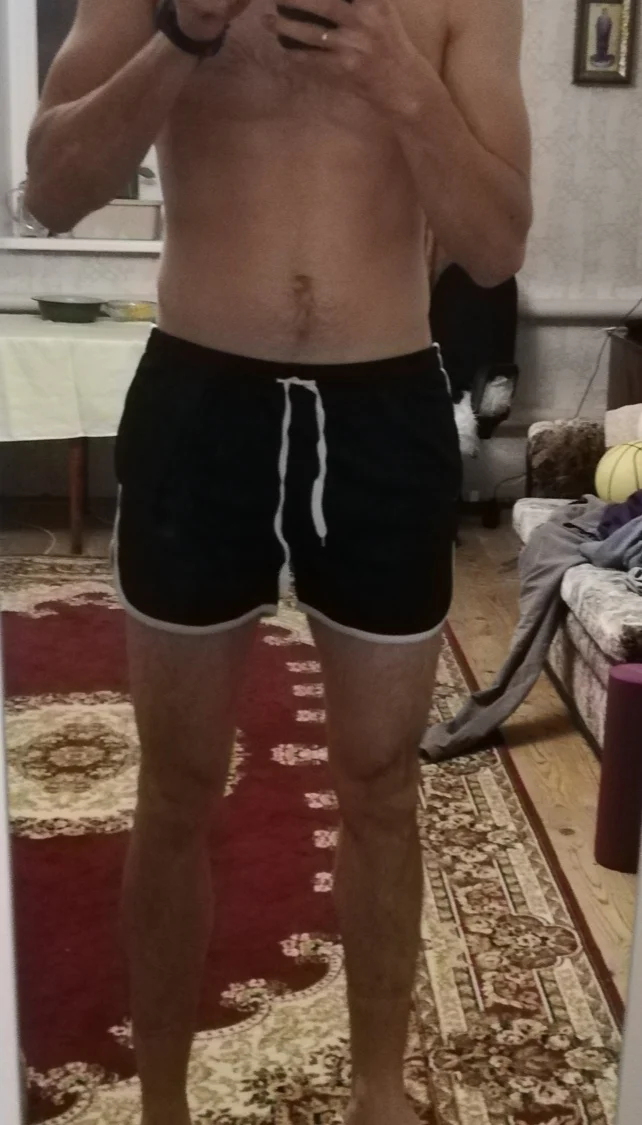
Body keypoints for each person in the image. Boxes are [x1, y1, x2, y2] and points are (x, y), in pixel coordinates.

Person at [24, 0, 532, 1122]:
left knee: (382, 782)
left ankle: (378, 1099)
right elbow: (50, 188)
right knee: (177, 782)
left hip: (383, 408)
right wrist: (181, 34)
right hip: (202, 399)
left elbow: (497, 246)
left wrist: (400, 77)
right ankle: (163, 1106)